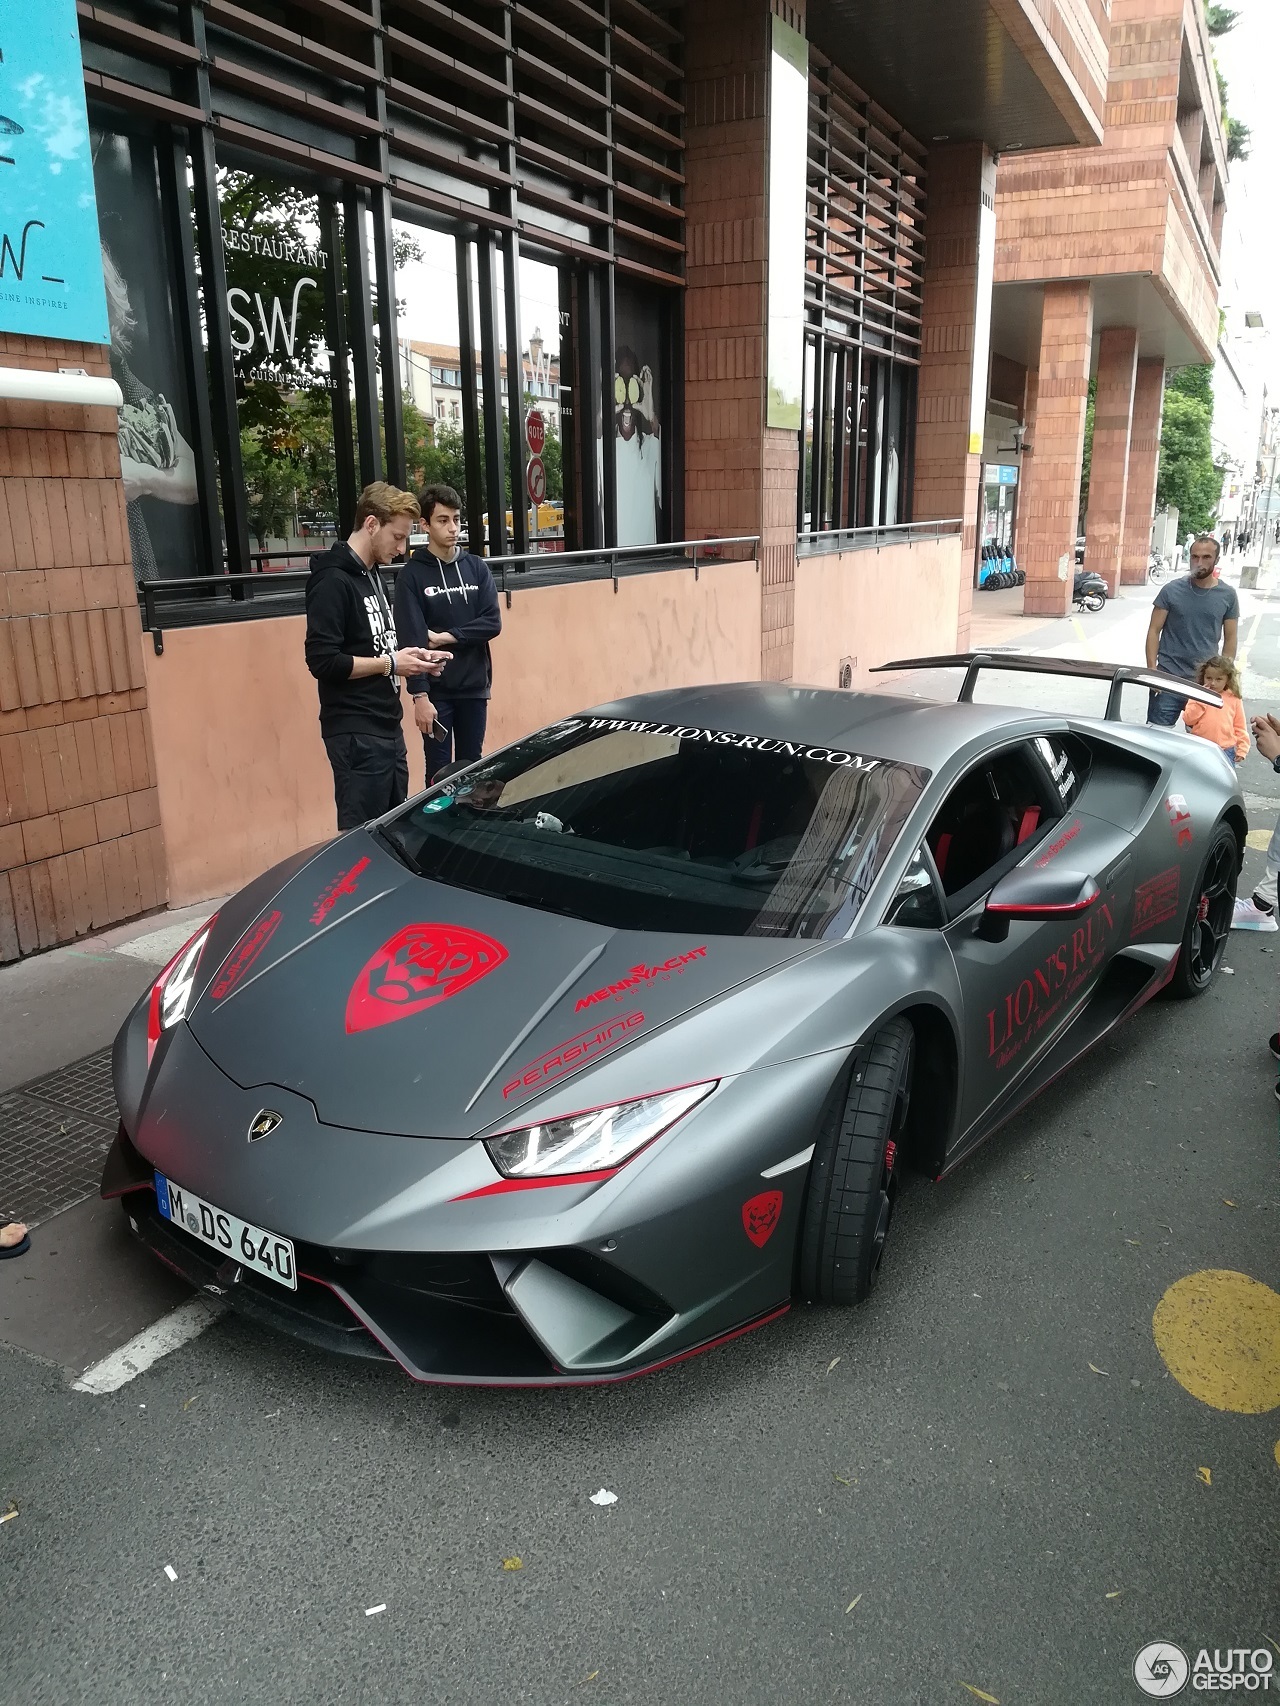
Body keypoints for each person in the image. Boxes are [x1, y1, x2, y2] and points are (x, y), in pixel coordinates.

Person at [304, 482, 448, 831]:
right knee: (362, 841)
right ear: (371, 525)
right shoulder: (333, 581)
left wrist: (411, 655)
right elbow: (322, 661)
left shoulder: (372, 574)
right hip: (355, 731)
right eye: (397, 537)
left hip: (386, 726)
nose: (402, 549)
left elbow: (375, 645)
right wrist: (392, 664)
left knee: (391, 835)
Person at [393, 483, 502, 782]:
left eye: (456, 519)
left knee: (472, 771)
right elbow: (412, 640)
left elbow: (492, 622)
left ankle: (468, 828)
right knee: (439, 774)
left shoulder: (476, 567)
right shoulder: (411, 576)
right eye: (443, 520)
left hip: (475, 688)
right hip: (436, 693)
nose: (453, 528)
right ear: (425, 525)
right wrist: (420, 696)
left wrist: (445, 636)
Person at [1145, 534, 1239, 726]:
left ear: (1217, 560)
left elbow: (1231, 639)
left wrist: (1225, 678)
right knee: (1156, 740)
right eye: (1195, 557)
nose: (1199, 562)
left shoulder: (1227, 595)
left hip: (1205, 683)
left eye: (1206, 557)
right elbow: (1154, 630)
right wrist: (1152, 671)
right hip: (1167, 678)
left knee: (1202, 743)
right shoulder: (1171, 590)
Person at [614, 345, 661, 547]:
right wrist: (606, 403)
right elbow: (596, 434)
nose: (627, 402)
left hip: (644, 560)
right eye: (621, 387)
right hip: (611, 563)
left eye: (631, 388)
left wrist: (648, 407)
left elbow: (657, 433)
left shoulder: (649, 446)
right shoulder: (604, 449)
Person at [1182, 655, 1249, 768]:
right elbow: (1188, 719)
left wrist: (1242, 747)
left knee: (1223, 781)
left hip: (1225, 750)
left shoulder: (1233, 698)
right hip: (1199, 747)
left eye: (1218, 679)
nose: (1213, 683)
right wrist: (1201, 700)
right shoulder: (1197, 695)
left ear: (1227, 679)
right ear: (1203, 676)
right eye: (1209, 678)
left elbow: (1239, 726)